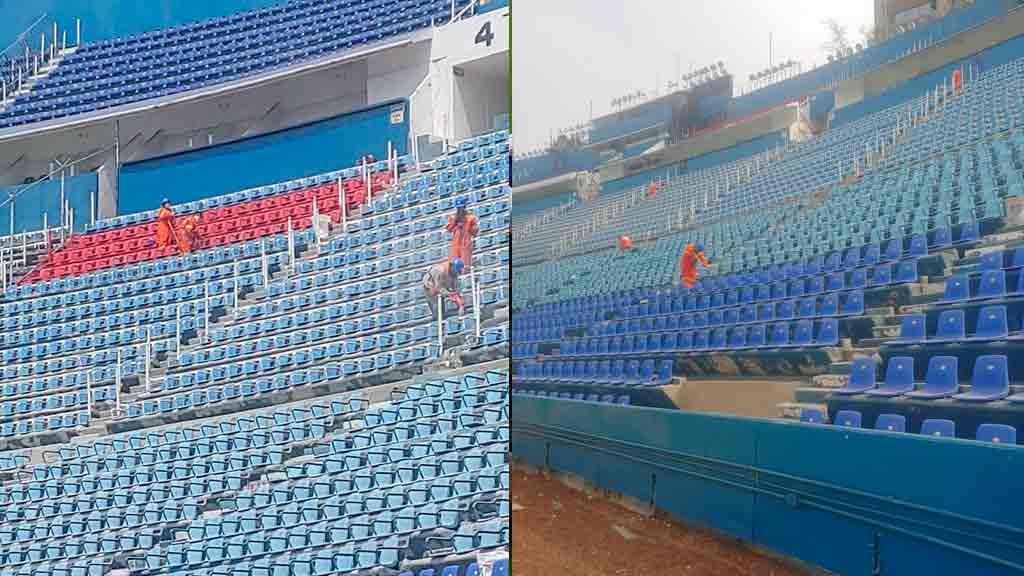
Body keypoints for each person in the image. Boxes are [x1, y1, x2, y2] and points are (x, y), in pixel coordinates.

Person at [446, 196, 479, 268]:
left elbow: (475, 232)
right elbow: (449, 229)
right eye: (458, 208)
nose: (460, 209)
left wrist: (467, 224)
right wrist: (455, 221)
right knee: (453, 264)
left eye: (462, 207)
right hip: (456, 243)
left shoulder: (471, 217)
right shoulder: (452, 217)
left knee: (465, 265)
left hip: (466, 243)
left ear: (465, 206)